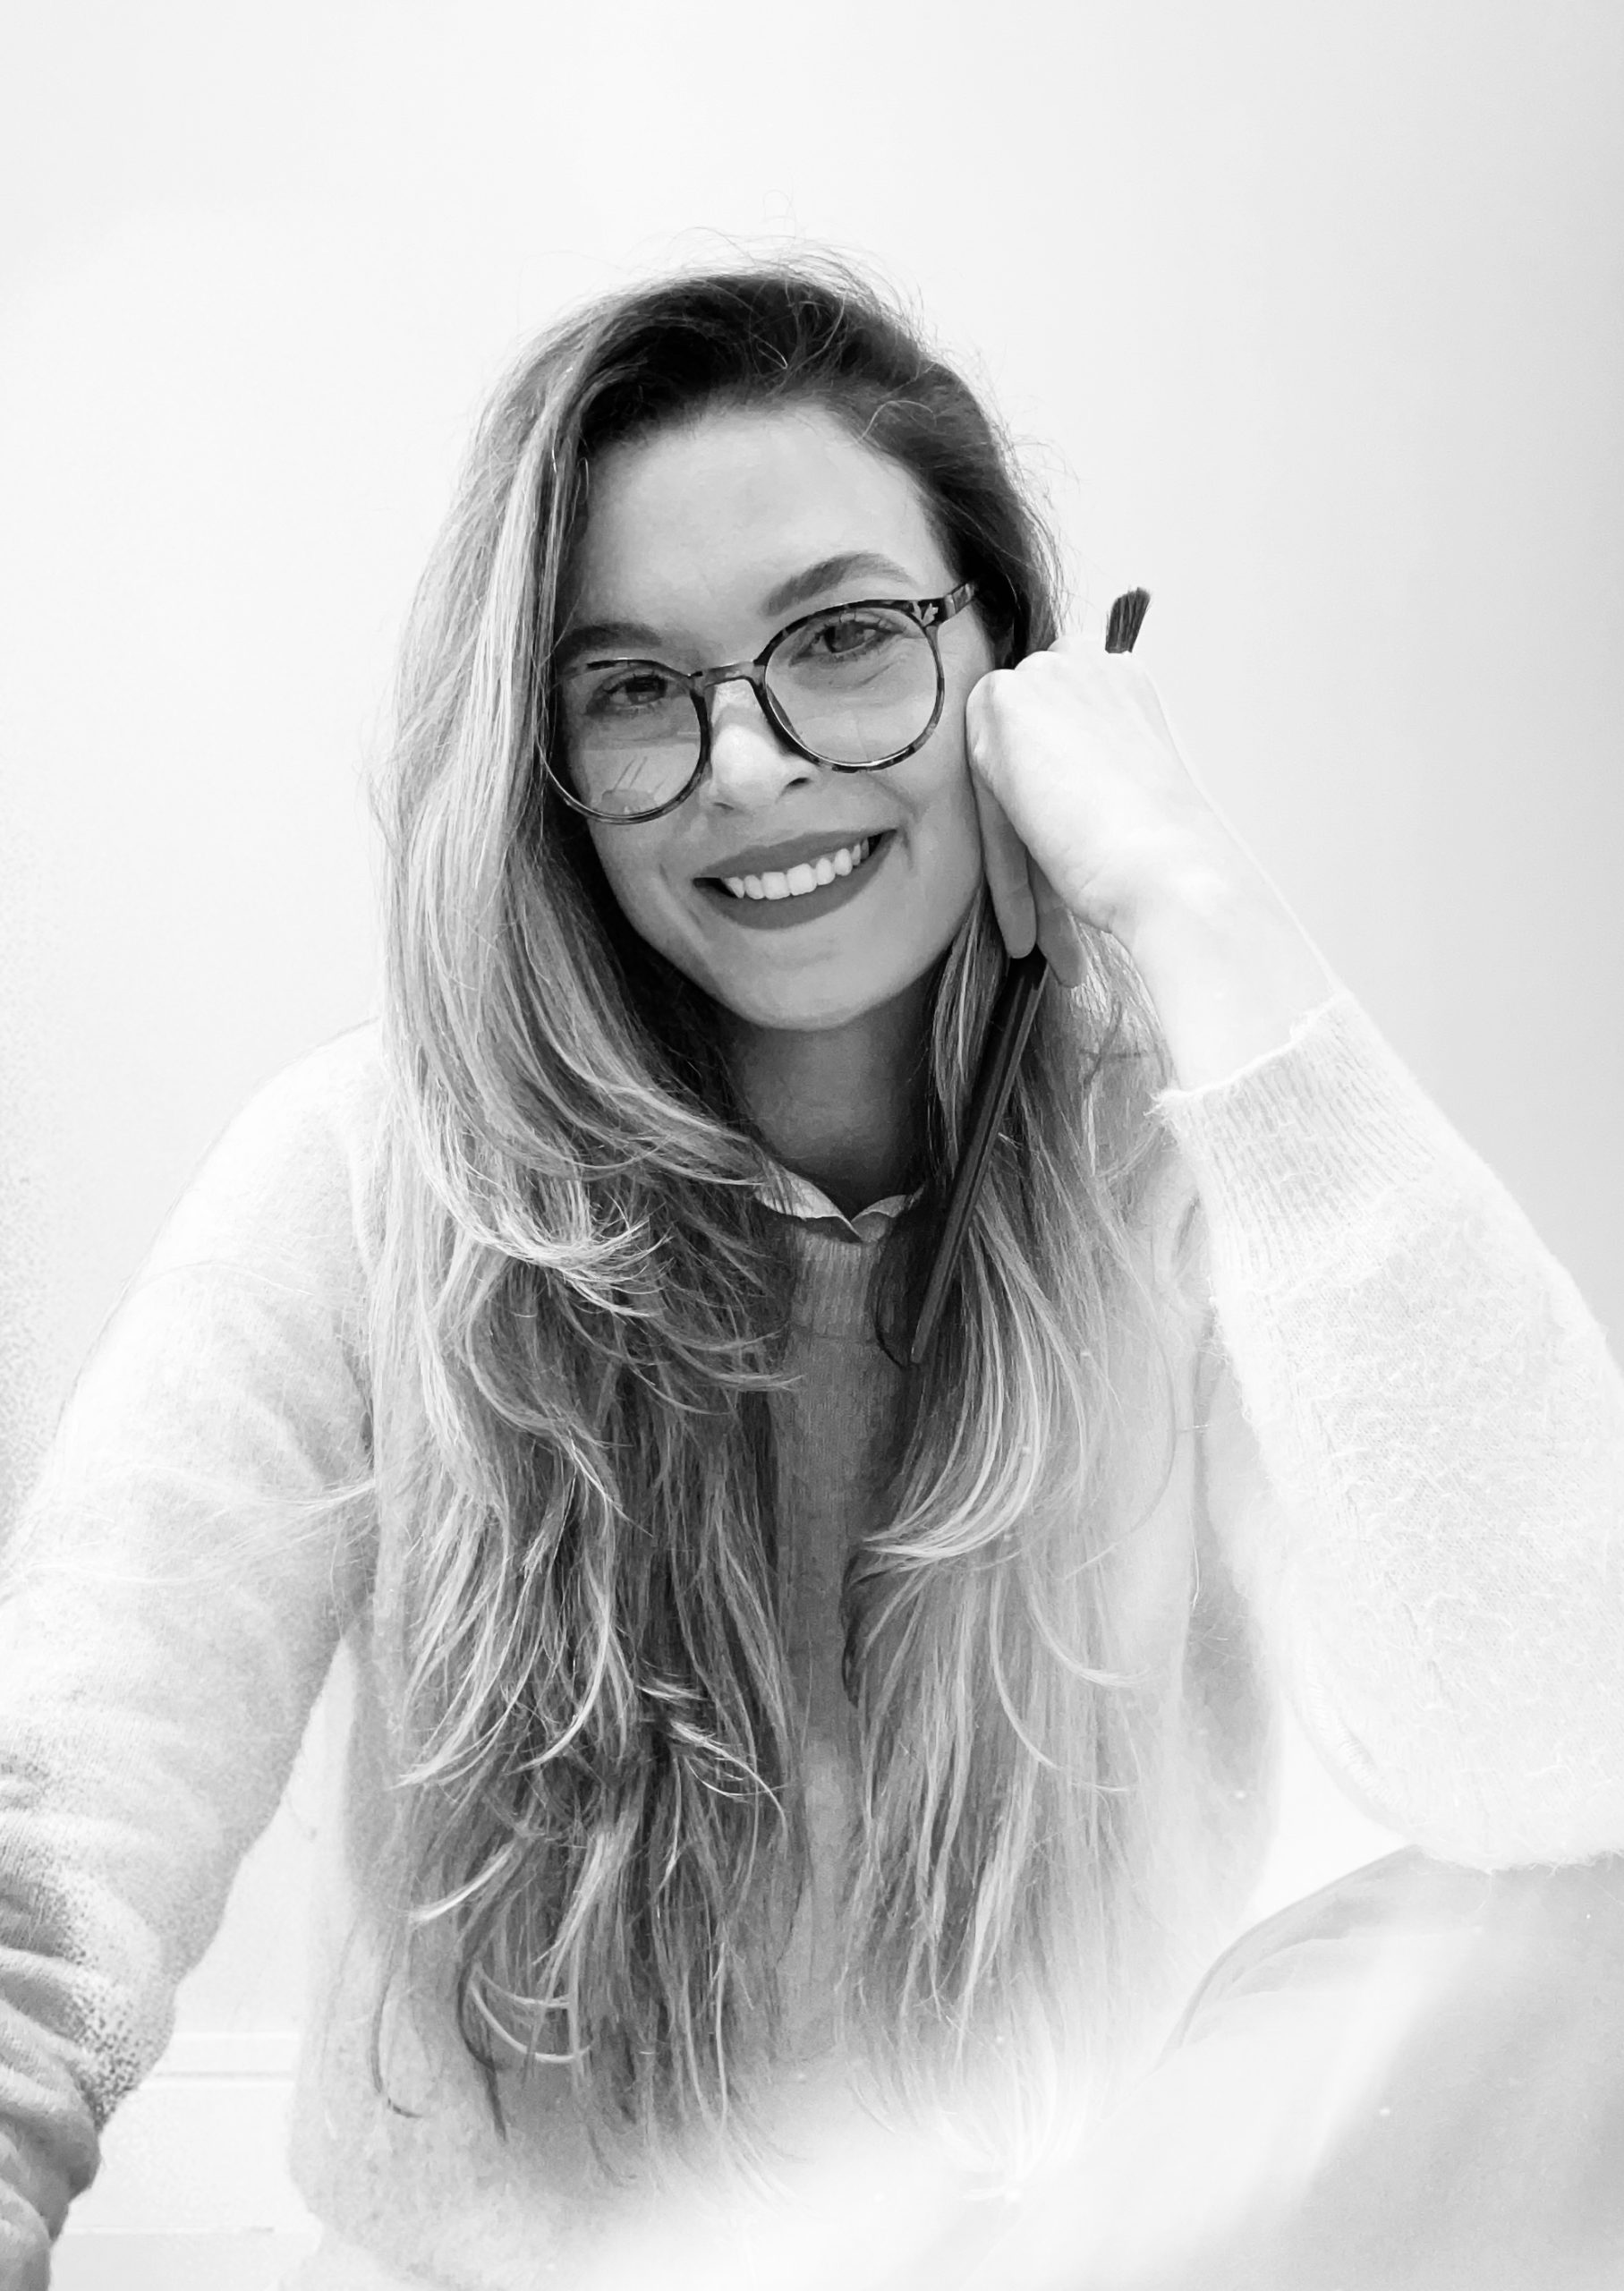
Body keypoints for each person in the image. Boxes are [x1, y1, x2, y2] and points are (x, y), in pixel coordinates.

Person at [2, 258, 1622, 2291]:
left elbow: (1560, 1744)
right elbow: (61, 1838)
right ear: (549, 772)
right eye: (631, 689)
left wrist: (1190, 896)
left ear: (1007, 664)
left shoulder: (1173, 1161)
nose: (748, 762)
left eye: (845, 639)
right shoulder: (362, 1170)